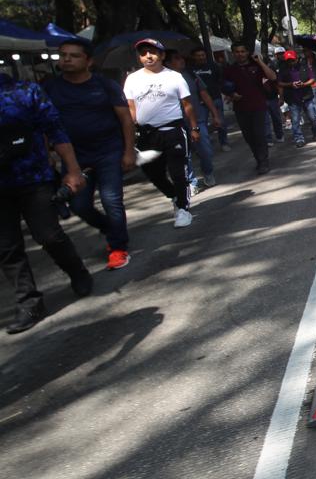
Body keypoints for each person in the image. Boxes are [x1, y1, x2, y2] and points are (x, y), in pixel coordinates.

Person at [0, 73, 95, 332]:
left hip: (34, 178)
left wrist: (73, 170)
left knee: (49, 236)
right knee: (7, 247)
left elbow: (55, 130)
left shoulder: (24, 91)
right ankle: (29, 302)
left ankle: (77, 271)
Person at [42, 39, 134, 270]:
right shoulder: (51, 88)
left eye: (74, 56)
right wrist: (46, 154)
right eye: (63, 55)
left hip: (108, 151)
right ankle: (110, 228)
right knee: (79, 205)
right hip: (74, 157)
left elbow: (125, 119)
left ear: (89, 61)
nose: (67, 59)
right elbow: (43, 124)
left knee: (111, 200)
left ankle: (118, 247)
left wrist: (128, 151)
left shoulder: (105, 85)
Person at [123, 39, 199, 228]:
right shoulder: (132, 79)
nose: (148, 56)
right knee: (152, 172)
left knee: (178, 173)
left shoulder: (174, 77)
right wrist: (130, 133)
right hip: (147, 135)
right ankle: (174, 196)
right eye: (143, 53)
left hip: (173, 131)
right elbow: (131, 108)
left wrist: (194, 128)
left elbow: (187, 104)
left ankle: (183, 209)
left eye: (153, 52)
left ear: (162, 55)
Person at [164, 49, 222, 191]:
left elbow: (204, 94)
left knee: (206, 151)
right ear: (168, 63)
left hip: (198, 120)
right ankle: (191, 182)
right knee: (184, 155)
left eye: (181, 57)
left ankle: (208, 172)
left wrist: (215, 114)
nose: (182, 60)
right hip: (176, 124)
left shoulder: (190, 75)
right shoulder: (162, 80)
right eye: (177, 58)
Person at [223, 43, 277, 175]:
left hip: (258, 106)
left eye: (242, 51)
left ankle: (264, 162)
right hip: (241, 107)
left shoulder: (257, 66)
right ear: (233, 53)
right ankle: (258, 159)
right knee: (249, 137)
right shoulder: (229, 70)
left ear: (247, 52)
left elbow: (273, 77)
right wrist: (232, 94)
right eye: (237, 52)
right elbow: (224, 86)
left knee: (259, 135)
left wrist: (260, 62)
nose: (240, 54)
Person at [277, 50, 316, 147]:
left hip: (306, 96)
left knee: (313, 118)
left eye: (292, 60)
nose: (291, 62)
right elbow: (279, 83)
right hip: (292, 99)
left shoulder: (304, 67)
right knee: (295, 120)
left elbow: (312, 79)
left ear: (296, 59)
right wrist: (290, 85)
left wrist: (304, 84)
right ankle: (299, 139)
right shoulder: (283, 70)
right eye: (288, 61)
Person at [190, 48, 231, 151]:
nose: (201, 57)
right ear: (194, 57)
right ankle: (205, 146)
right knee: (201, 124)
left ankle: (224, 142)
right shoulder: (190, 69)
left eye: (202, 55)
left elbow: (221, 80)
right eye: (198, 55)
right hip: (199, 102)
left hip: (215, 98)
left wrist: (225, 92)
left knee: (220, 122)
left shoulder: (213, 66)